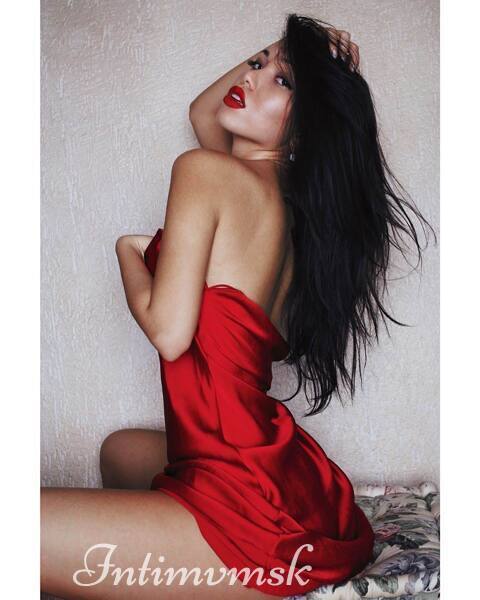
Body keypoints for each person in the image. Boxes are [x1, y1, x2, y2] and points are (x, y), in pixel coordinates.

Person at [41, 13, 436, 599]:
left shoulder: (207, 172)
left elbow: (169, 333)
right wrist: (291, 51)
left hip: (248, 507)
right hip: (272, 469)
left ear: (308, 124)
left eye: (282, 81)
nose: (250, 78)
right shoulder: (283, 201)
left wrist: (127, 251)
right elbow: (204, 113)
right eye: (257, 62)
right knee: (119, 450)